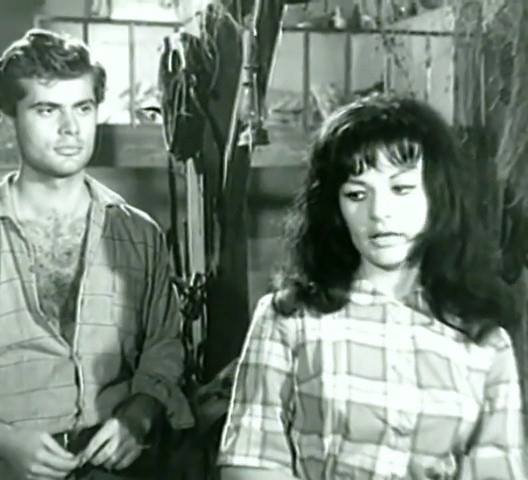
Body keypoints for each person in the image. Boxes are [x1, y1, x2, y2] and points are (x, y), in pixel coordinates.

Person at [0, 28, 193, 480]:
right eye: (47, 110)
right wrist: (2, 441)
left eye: (83, 108)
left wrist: (139, 415)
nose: (71, 128)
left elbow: (164, 350)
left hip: (112, 468)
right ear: (8, 120)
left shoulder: (139, 235)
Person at [217, 94, 526, 479]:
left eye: (401, 188)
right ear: (334, 207)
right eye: (357, 194)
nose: (379, 213)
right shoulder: (289, 319)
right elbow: (251, 463)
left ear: (438, 195)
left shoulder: (485, 341)